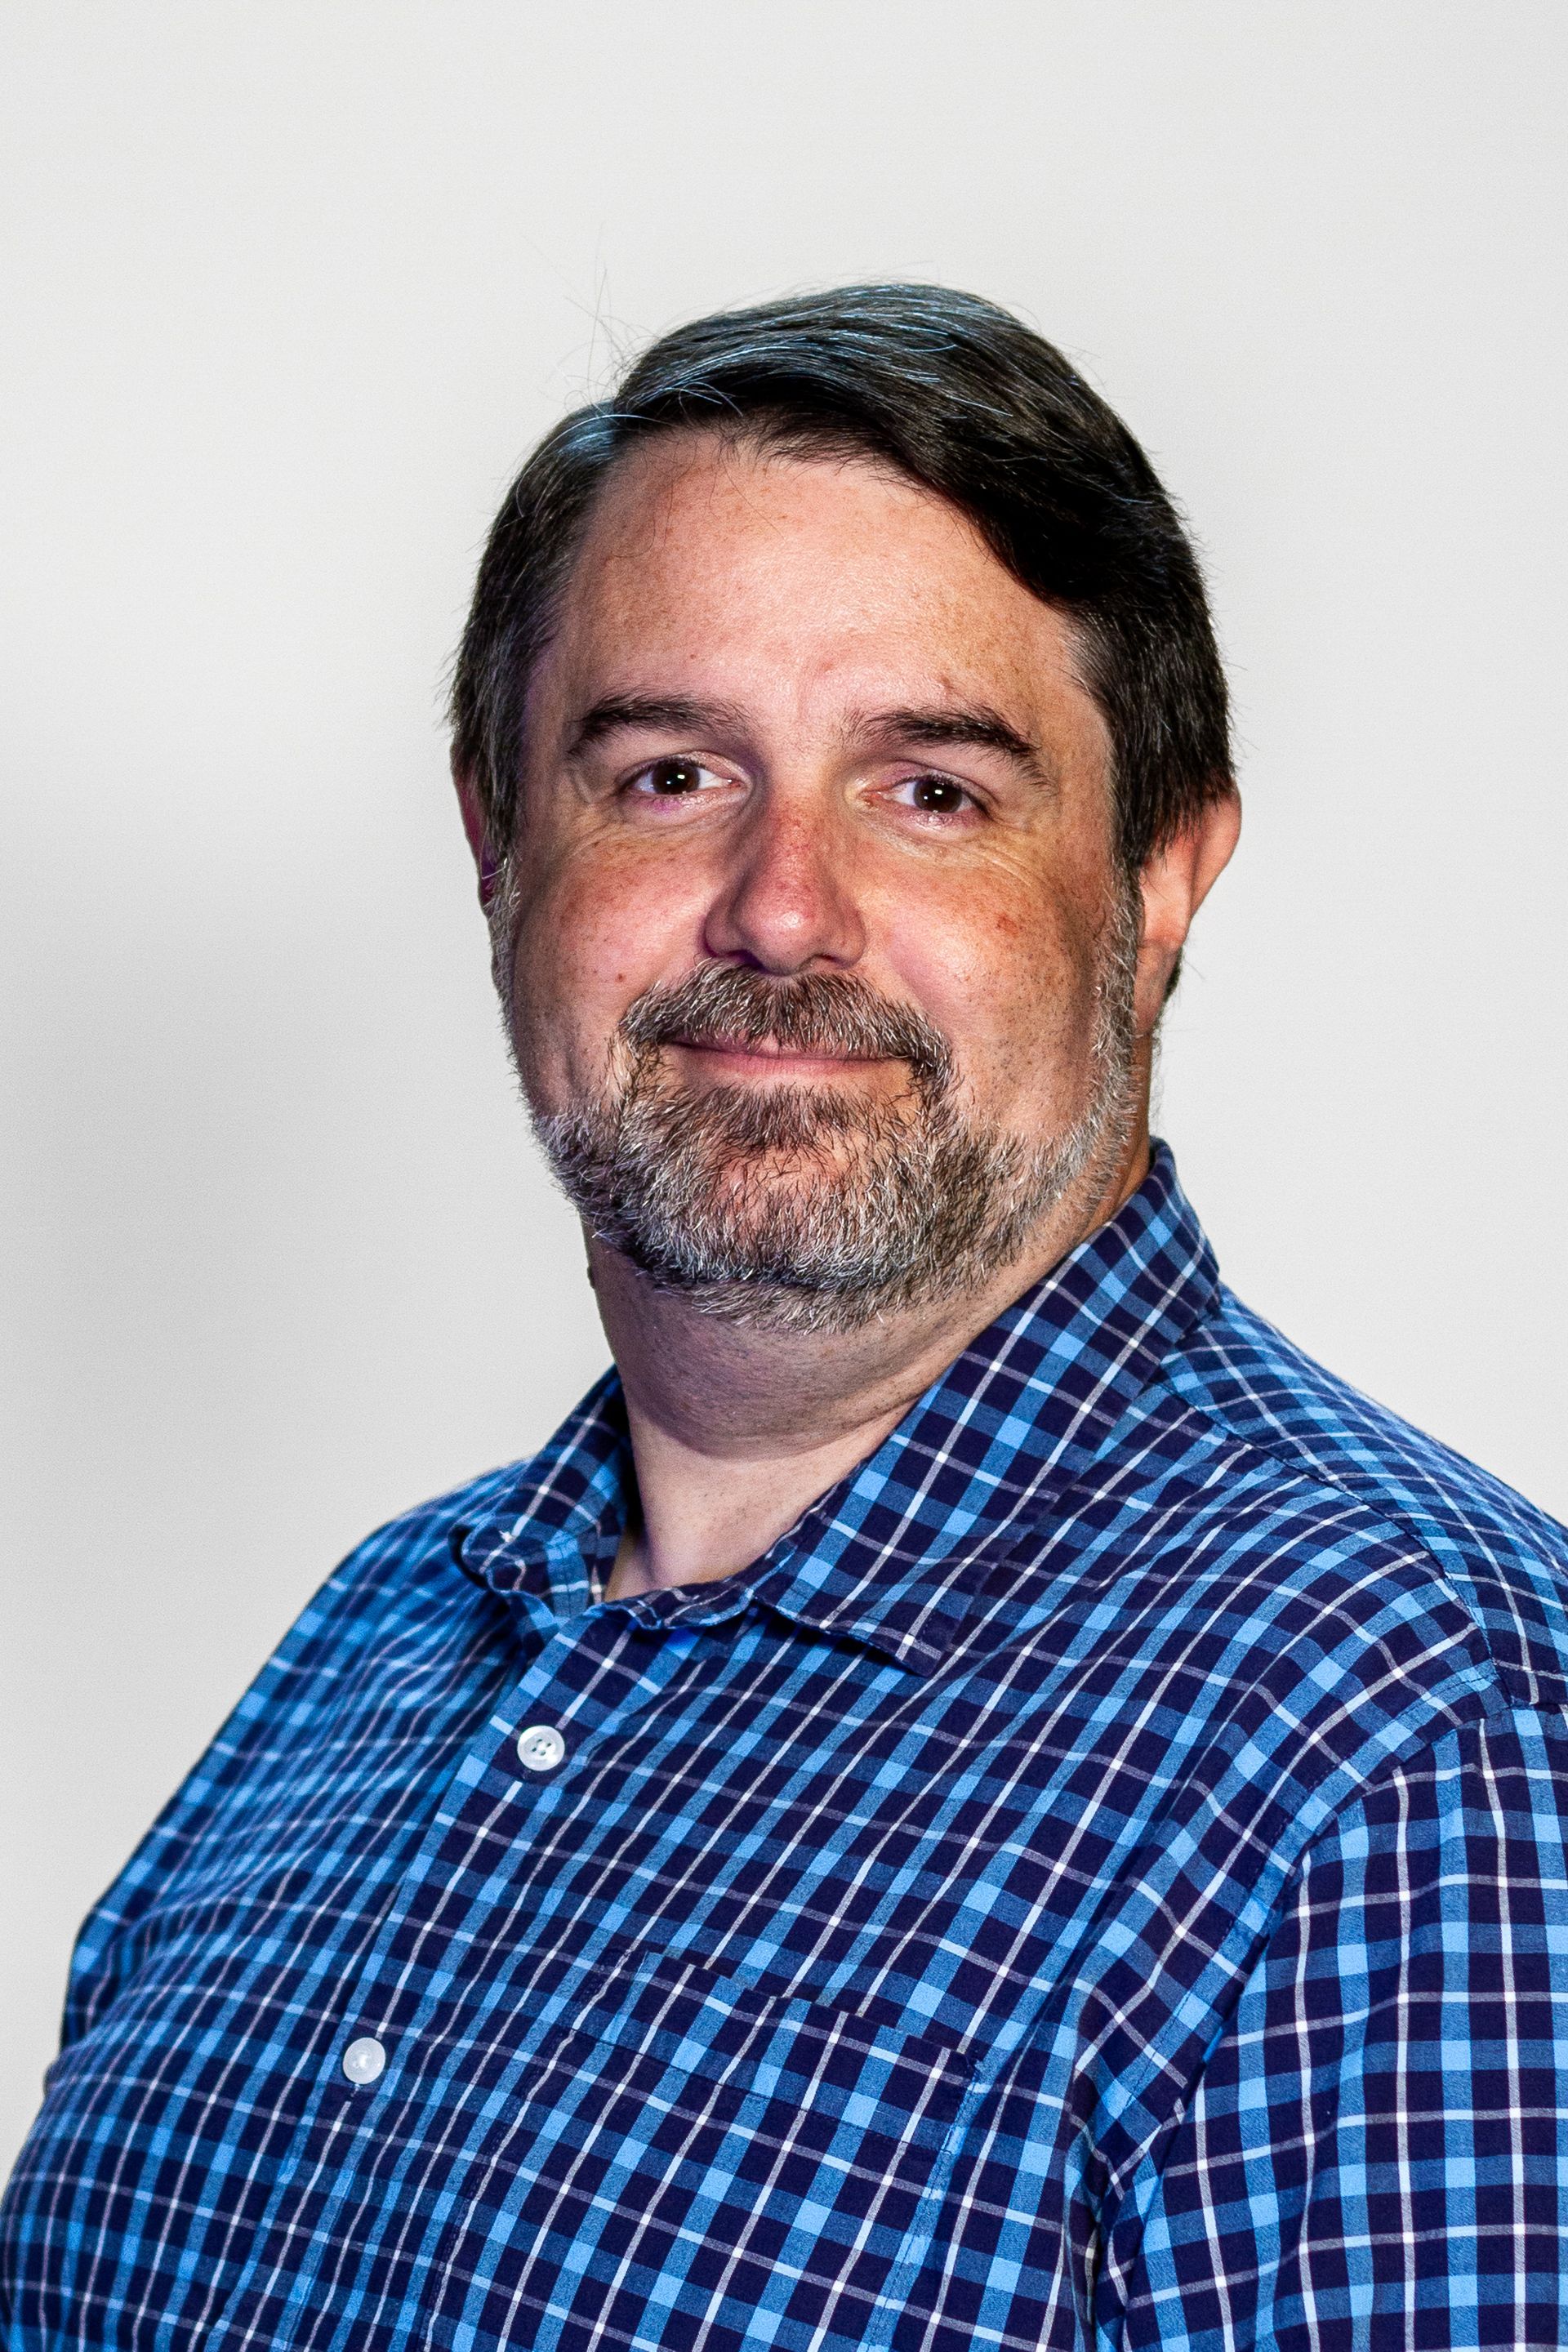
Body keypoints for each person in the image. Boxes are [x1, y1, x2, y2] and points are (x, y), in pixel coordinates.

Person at [5, 285, 1566, 2352]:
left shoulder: (1413, 1750)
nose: (781, 909)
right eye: (666, 774)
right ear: (498, 849)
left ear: (1165, 879)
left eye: (934, 790)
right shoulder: (371, 1647)